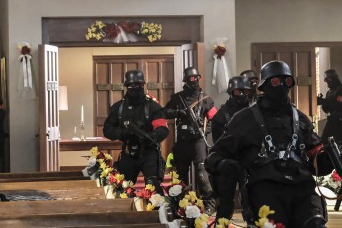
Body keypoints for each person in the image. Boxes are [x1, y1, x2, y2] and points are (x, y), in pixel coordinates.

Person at [206, 60, 327, 228]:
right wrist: (225, 166)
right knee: (274, 223)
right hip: (265, 186)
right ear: (264, 85)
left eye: (287, 81)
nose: (282, 86)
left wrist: (327, 158)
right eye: (276, 81)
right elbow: (215, 156)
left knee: (315, 224)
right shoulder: (244, 119)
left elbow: (316, 158)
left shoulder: (301, 119)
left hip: (301, 186)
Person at [163, 67, 216, 212]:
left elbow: (215, 119)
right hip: (183, 141)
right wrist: (178, 113)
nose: (195, 81)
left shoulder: (206, 99)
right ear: (186, 80)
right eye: (192, 78)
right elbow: (164, 112)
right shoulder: (177, 98)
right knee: (180, 174)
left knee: (201, 173)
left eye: (197, 78)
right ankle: (180, 204)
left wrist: (205, 131)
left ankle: (209, 204)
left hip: (198, 140)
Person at [103, 70, 169, 187]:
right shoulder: (118, 108)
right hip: (128, 153)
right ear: (126, 86)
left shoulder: (153, 106)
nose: (135, 88)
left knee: (154, 190)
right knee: (122, 189)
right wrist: (124, 133)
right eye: (132, 85)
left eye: (139, 85)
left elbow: (163, 129)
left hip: (149, 153)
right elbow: (108, 130)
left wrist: (152, 136)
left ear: (143, 84)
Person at [210, 76, 254, 224]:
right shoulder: (221, 115)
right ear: (231, 92)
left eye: (245, 91)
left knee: (251, 201)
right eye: (237, 91)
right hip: (229, 162)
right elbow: (219, 144)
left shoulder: (255, 112)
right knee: (225, 203)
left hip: (249, 162)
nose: (241, 95)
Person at [316, 69, 342, 174]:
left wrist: (325, 101)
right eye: (326, 80)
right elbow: (328, 108)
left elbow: (340, 105)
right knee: (324, 144)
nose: (327, 82)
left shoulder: (341, 90)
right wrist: (323, 103)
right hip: (331, 122)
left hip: (340, 124)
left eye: (329, 79)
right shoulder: (329, 92)